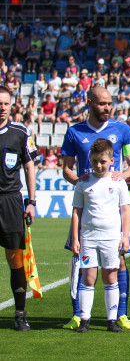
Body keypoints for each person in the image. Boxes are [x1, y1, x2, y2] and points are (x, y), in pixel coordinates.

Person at [61, 86, 130, 331]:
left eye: (109, 103)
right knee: (81, 264)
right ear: (90, 102)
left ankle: (120, 315)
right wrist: (81, 183)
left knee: (119, 263)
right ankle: (78, 315)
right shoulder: (74, 132)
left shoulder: (123, 130)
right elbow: (67, 169)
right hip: (88, 209)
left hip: (112, 213)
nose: (107, 108)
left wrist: (120, 176)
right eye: (102, 103)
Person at [70, 138, 130, 333]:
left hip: (112, 237)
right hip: (88, 237)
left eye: (103, 161)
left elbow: (125, 211)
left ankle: (111, 320)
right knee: (88, 277)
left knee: (110, 277)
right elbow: (76, 212)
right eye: (95, 160)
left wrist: (125, 236)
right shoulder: (83, 182)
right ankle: (84, 319)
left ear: (111, 160)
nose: (98, 165)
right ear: (90, 158)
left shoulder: (118, 182)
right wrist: (75, 238)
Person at [0, 85, 37, 331]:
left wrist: (31, 202)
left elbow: (29, 165)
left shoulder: (20, 132)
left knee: (15, 258)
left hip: (10, 201)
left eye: (4, 103)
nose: (1, 108)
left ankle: (20, 314)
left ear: (11, 105)